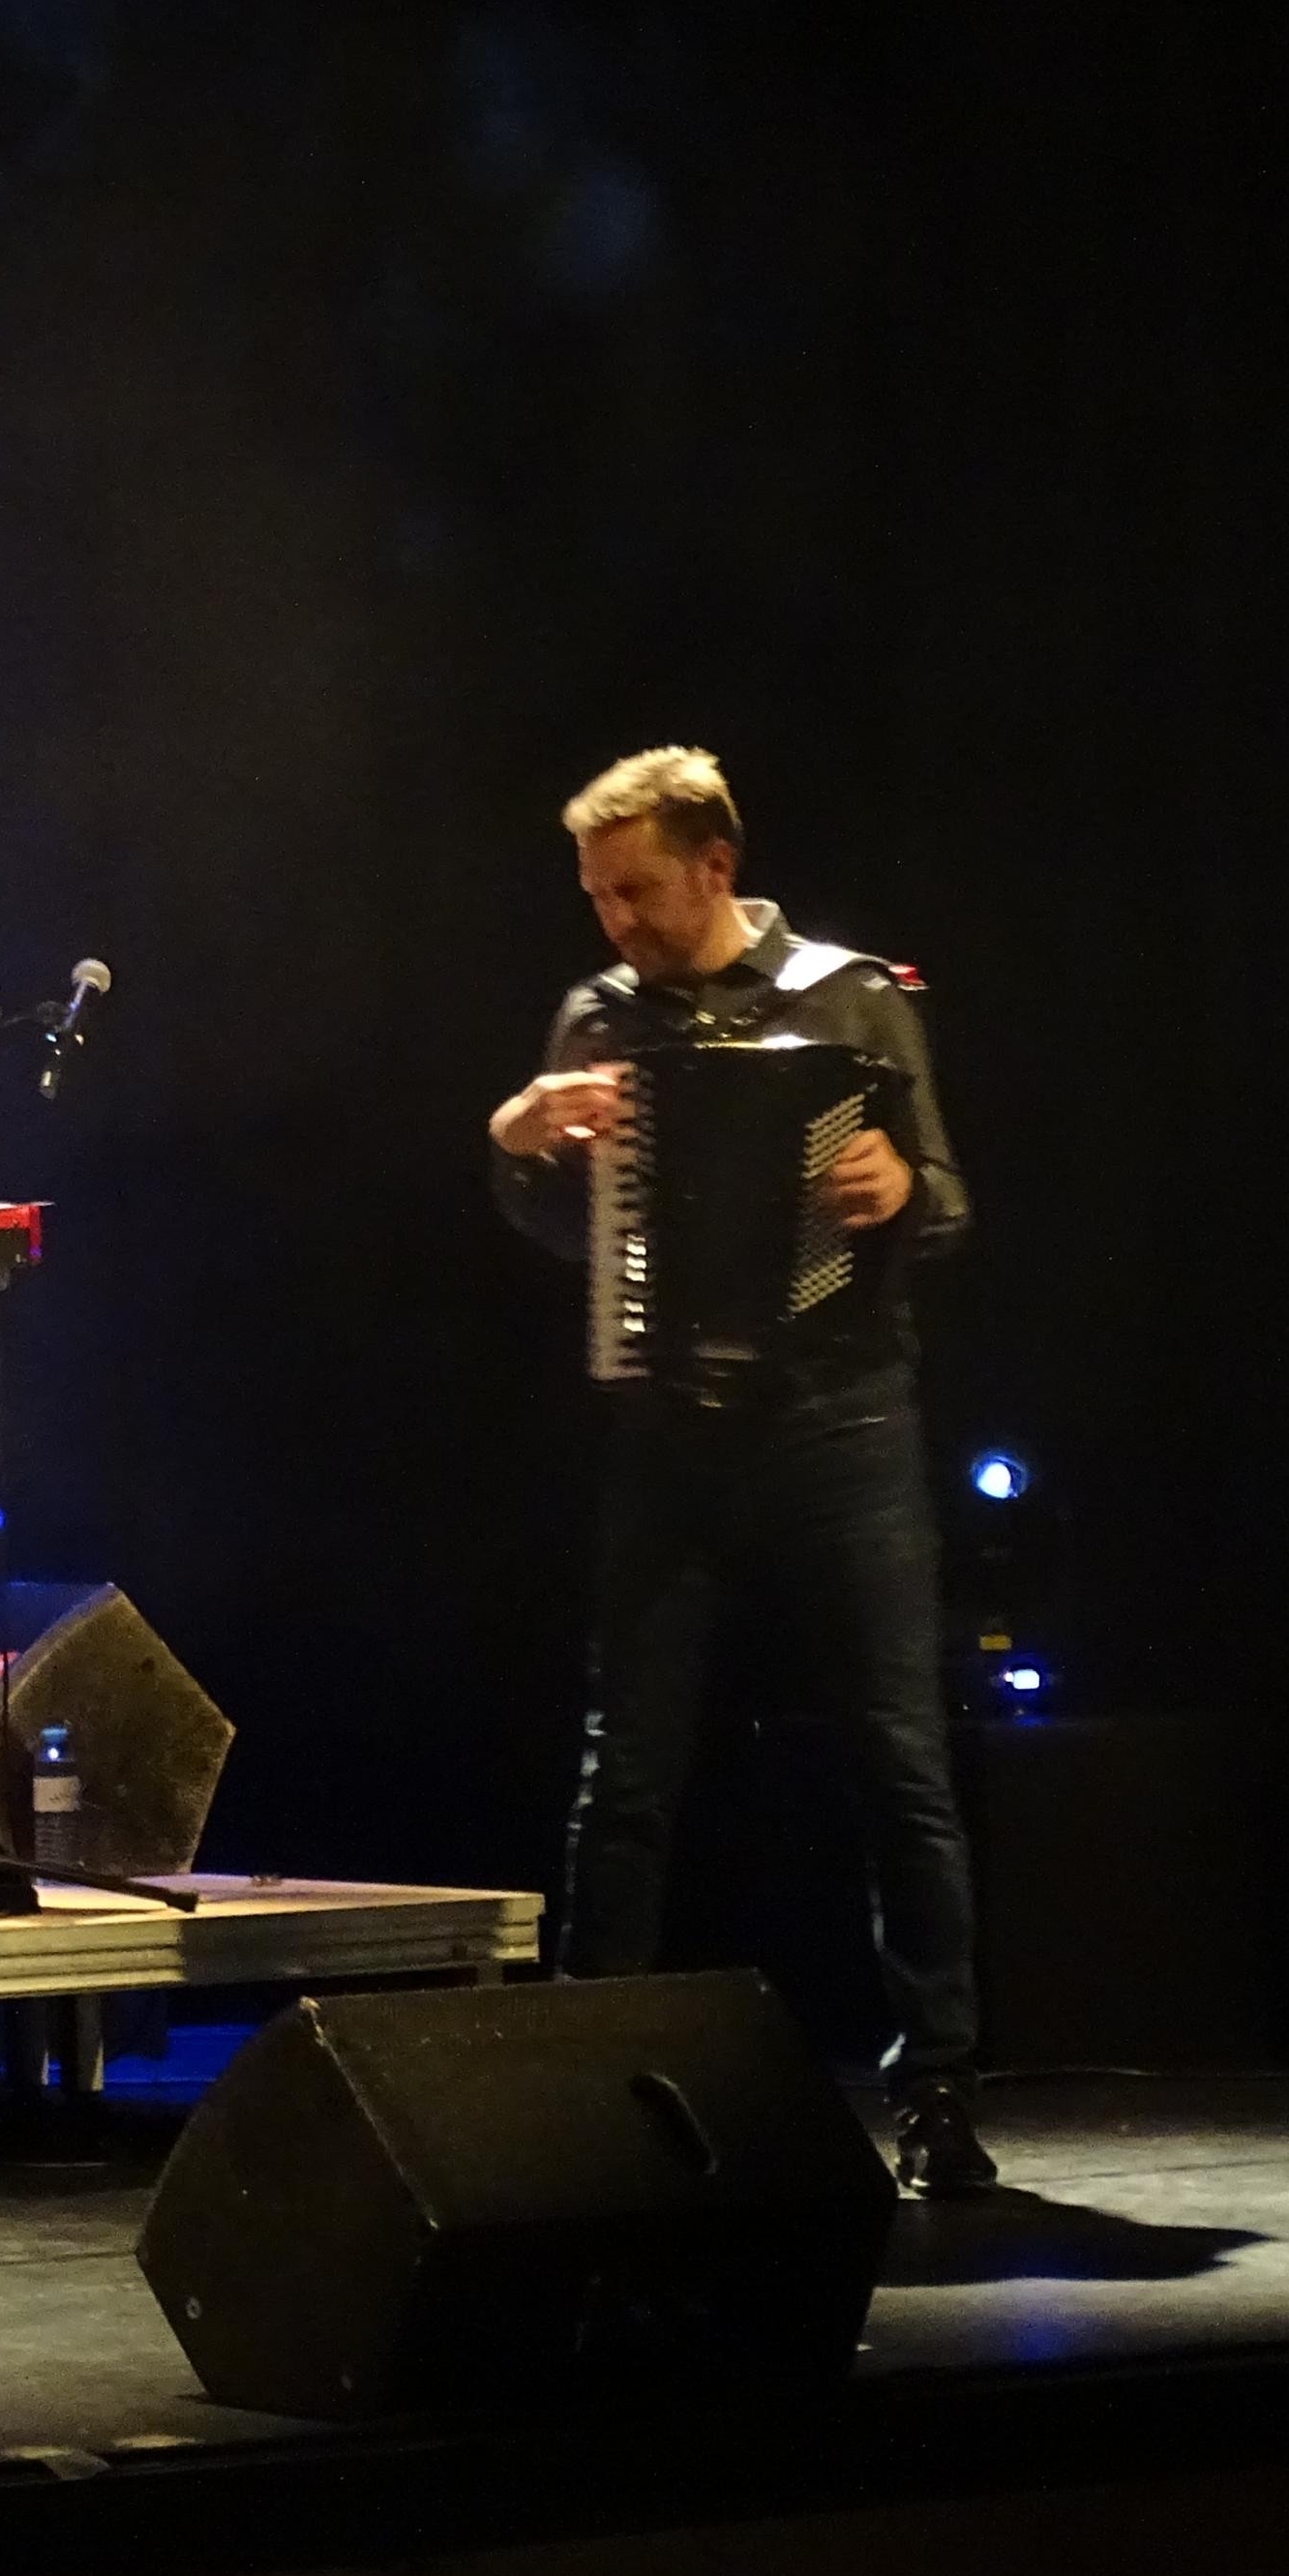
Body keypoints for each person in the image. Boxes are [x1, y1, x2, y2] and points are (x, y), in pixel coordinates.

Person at [487, 747, 991, 2195]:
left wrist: (897, 1188)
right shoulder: (597, 1018)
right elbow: (570, 1234)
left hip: (841, 1415)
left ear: (716, 866)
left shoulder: (853, 998)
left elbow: (946, 1202)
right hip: (671, 1422)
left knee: (899, 1761)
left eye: (636, 890)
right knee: (626, 1774)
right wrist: (518, 1146)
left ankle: (938, 2089)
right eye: (598, 896)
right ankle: (583, 2085)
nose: (615, 921)